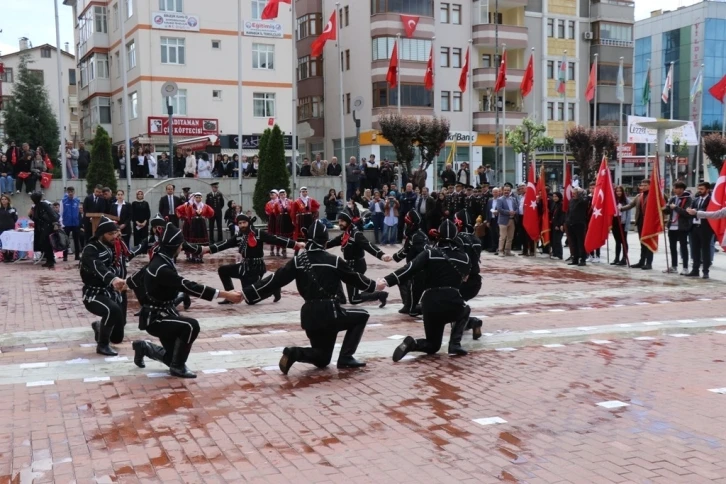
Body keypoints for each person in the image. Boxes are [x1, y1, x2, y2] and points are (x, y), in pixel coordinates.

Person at [242, 220, 378, 374]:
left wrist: (246, 293)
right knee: (362, 316)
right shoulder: (333, 261)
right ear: (325, 241)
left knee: (322, 358)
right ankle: (346, 357)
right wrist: (375, 286)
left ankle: (296, 353)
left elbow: (274, 280)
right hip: (330, 313)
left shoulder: (297, 261)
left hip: (309, 315)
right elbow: (355, 279)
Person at [130, 223, 242, 378]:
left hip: (167, 312)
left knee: (171, 356)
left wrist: (122, 282)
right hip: (155, 319)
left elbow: (136, 277)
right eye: (181, 244)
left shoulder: (161, 255)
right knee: (190, 326)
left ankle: (144, 347)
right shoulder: (161, 268)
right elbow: (188, 286)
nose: (182, 247)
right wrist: (226, 294)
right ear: (175, 246)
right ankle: (177, 367)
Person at [378, 220, 473, 360]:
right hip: (451, 301)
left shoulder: (429, 253)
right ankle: (455, 344)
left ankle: (412, 344)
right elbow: (465, 278)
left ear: (438, 234)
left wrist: (386, 280)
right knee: (465, 309)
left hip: (429, 303)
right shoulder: (464, 258)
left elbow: (409, 268)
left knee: (433, 345)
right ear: (456, 236)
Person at [211, 214, 303, 304]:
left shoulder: (258, 233)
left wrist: (295, 244)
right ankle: (229, 296)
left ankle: (273, 289)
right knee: (223, 270)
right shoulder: (239, 236)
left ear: (249, 223)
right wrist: (207, 249)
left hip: (255, 268)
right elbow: (225, 243)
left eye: (244, 222)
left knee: (249, 300)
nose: (242, 225)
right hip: (243, 267)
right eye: (240, 223)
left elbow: (275, 239)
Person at [80, 217, 137, 356]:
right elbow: (98, 267)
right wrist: (113, 279)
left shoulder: (117, 246)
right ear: (101, 234)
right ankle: (102, 345)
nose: (114, 236)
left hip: (115, 292)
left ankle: (99, 327)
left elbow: (128, 257)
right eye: (110, 234)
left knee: (117, 338)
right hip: (94, 293)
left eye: (115, 233)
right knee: (113, 310)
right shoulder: (90, 249)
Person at [327, 211, 390, 307]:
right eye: (339, 221)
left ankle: (380, 295)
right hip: (348, 266)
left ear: (348, 221)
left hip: (357, 266)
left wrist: (381, 255)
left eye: (342, 221)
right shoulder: (346, 234)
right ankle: (341, 297)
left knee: (354, 299)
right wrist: (315, 245)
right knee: (334, 273)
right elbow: (331, 242)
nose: (340, 223)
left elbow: (368, 245)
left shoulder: (355, 234)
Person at [454, 210, 484, 339]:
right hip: (476, 280)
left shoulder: (458, 239)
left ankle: (472, 322)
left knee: (451, 306)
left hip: (462, 279)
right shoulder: (476, 238)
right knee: (458, 305)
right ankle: (467, 323)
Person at [393, 210, 428, 316]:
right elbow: (406, 249)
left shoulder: (418, 236)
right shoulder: (413, 234)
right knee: (401, 280)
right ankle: (408, 305)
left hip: (417, 267)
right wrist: (394, 257)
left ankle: (414, 306)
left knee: (413, 286)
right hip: (411, 265)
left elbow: (422, 253)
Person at [683, 182, 714, 279]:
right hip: (694, 227)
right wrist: (689, 211)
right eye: (699, 189)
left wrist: (696, 212)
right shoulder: (695, 200)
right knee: (694, 249)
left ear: (707, 189)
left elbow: (709, 212)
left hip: (705, 228)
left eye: (702, 189)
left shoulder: (711, 200)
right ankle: (695, 270)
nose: (699, 191)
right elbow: (691, 211)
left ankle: (705, 271)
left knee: (705, 250)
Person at [619, 179, 653, 270]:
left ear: (650, 185)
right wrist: (620, 209)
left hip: (649, 222)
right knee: (642, 243)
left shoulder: (654, 195)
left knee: (649, 243)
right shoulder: (639, 196)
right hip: (640, 222)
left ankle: (649, 263)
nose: (643, 187)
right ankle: (642, 261)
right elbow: (630, 205)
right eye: (642, 185)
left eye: (645, 185)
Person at [662, 181, 692, 274]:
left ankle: (685, 268)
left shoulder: (688, 199)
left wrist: (675, 208)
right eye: (674, 188)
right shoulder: (672, 198)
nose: (674, 190)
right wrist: (664, 208)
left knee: (683, 247)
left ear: (681, 189)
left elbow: (687, 213)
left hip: (682, 226)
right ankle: (674, 266)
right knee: (672, 247)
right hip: (672, 226)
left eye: (676, 188)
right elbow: (667, 211)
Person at [176, 193, 214, 263]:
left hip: (201, 226)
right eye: (196, 197)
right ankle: (191, 255)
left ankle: (200, 256)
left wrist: (205, 217)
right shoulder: (189, 205)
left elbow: (211, 212)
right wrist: (184, 217)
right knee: (191, 241)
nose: (198, 199)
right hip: (192, 226)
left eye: (199, 197)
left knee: (201, 242)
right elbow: (178, 210)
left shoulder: (204, 206)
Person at [29, 192, 59, 268]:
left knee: (47, 243)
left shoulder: (44, 205)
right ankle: (49, 260)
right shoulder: (36, 206)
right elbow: (35, 218)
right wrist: (30, 214)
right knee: (44, 243)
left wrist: (55, 224)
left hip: (47, 227)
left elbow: (52, 214)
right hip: (41, 228)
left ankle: (51, 260)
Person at [566, 188, 588, 266]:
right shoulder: (571, 201)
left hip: (579, 224)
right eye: (573, 193)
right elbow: (569, 211)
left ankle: (583, 259)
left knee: (580, 242)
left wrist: (581, 194)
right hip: (570, 224)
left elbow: (585, 201)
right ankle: (575, 258)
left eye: (575, 193)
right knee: (573, 242)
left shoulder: (583, 201)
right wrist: (567, 221)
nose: (573, 194)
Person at [611, 186, 631, 266]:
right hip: (615, 222)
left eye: (620, 191)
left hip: (622, 223)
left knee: (624, 241)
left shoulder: (626, 201)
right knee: (617, 241)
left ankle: (624, 258)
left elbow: (629, 215)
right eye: (617, 191)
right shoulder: (613, 200)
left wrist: (627, 225)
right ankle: (616, 258)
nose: (618, 192)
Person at [62, 187, 82, 261]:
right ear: (67, 192)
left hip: (75, 223)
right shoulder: (63, 201)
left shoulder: (77, 200)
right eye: (69, 192)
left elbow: (78, 211)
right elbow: (61, 212)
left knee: (76, 240)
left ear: (74, 192)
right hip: (66, 223)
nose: (70, 193)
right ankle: (65, 256)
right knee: (66, 240)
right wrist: (61, 223)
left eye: (72, 192)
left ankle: (77, 256)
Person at [0, 195, 18, 262]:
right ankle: (5, 257)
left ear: (8, 200)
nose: (3, 200)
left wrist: (10, 223)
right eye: (2, 199)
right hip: (1, 229)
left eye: (5, 199)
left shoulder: (13, 209)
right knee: (3, 243)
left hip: (10, 229)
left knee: (11, 243)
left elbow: (15, 218)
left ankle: (11, 257)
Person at [276, 189, 294, 256]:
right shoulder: (277, 203)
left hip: (288, 218)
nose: (282, 196)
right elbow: (276, 212)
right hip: (281, 219)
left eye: (283, 194)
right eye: (281, 194)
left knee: (289, 234)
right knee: (282, 235)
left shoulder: (290, 202)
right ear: (279, 195)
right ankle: (283, 249)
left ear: (286, 194)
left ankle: (290, 246)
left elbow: (292, 210)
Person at [265, 190, 281, 255]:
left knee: (279, 234)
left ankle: (278, 251)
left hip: (279, 220)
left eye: (273, 194)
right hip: (272, 220)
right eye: (270, 194)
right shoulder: (268, 203)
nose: (271, 195)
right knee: (271, 234)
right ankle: (271, 250)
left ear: (277, 195)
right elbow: (267, 211)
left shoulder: (280, 202)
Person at [550, 192, 565, 260]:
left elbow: (562, 216)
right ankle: (555, 253)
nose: (554, 198)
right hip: (553, 224)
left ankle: (559, 255)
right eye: (553, 196)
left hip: (559, 225)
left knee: (558, 240)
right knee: (553, 240)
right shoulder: (554, 204)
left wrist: (559, 224)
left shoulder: (561, 205)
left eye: (556, 196)